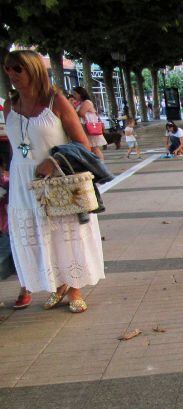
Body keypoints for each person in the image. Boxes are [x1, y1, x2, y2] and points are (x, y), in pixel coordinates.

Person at [3, 49, 104, 313]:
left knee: (62, 231)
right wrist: (13, 168)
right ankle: (56, 284)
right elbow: (19, 146)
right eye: (8, 69)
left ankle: (74, 288)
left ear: (34, 69)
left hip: (56, 179)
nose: (11, 74)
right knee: (37, 233)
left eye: (18, 68)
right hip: (23, 181)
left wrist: (54, 161)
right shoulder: (9, 104)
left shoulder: (55, 101)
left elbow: (82, 143)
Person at [72, 86, 107, 160]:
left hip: (89, 127)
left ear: (80, 94)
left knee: (94, 148)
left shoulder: (87, 102)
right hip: (85, 127)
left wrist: (73, 109)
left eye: (75, 94)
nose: (74, 96)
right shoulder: (80, 103)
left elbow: (81, 113)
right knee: (90, 147)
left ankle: (100, 163)